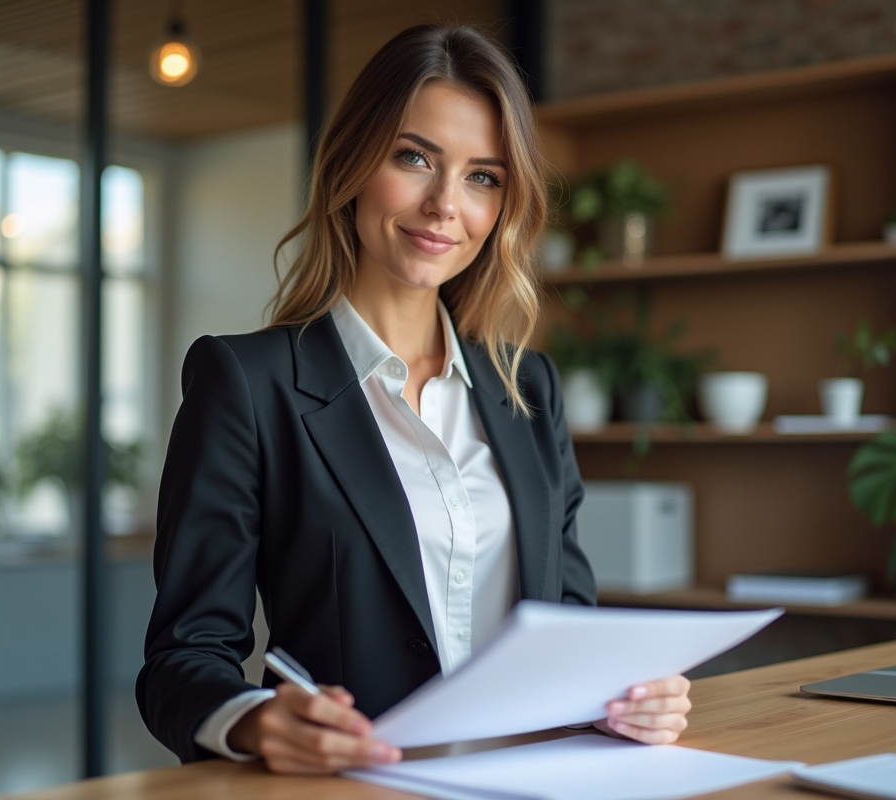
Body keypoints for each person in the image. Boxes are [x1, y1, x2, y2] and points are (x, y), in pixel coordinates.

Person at [137, 24, 691, 775]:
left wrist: (629, 697)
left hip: (533, 783)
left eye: (482, 177)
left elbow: (568, 625)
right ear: (353, 165)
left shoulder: (530, 388)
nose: (444, 206)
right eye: (414, 158)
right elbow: (182, 659)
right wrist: (259, 723)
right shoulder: (246, 382)